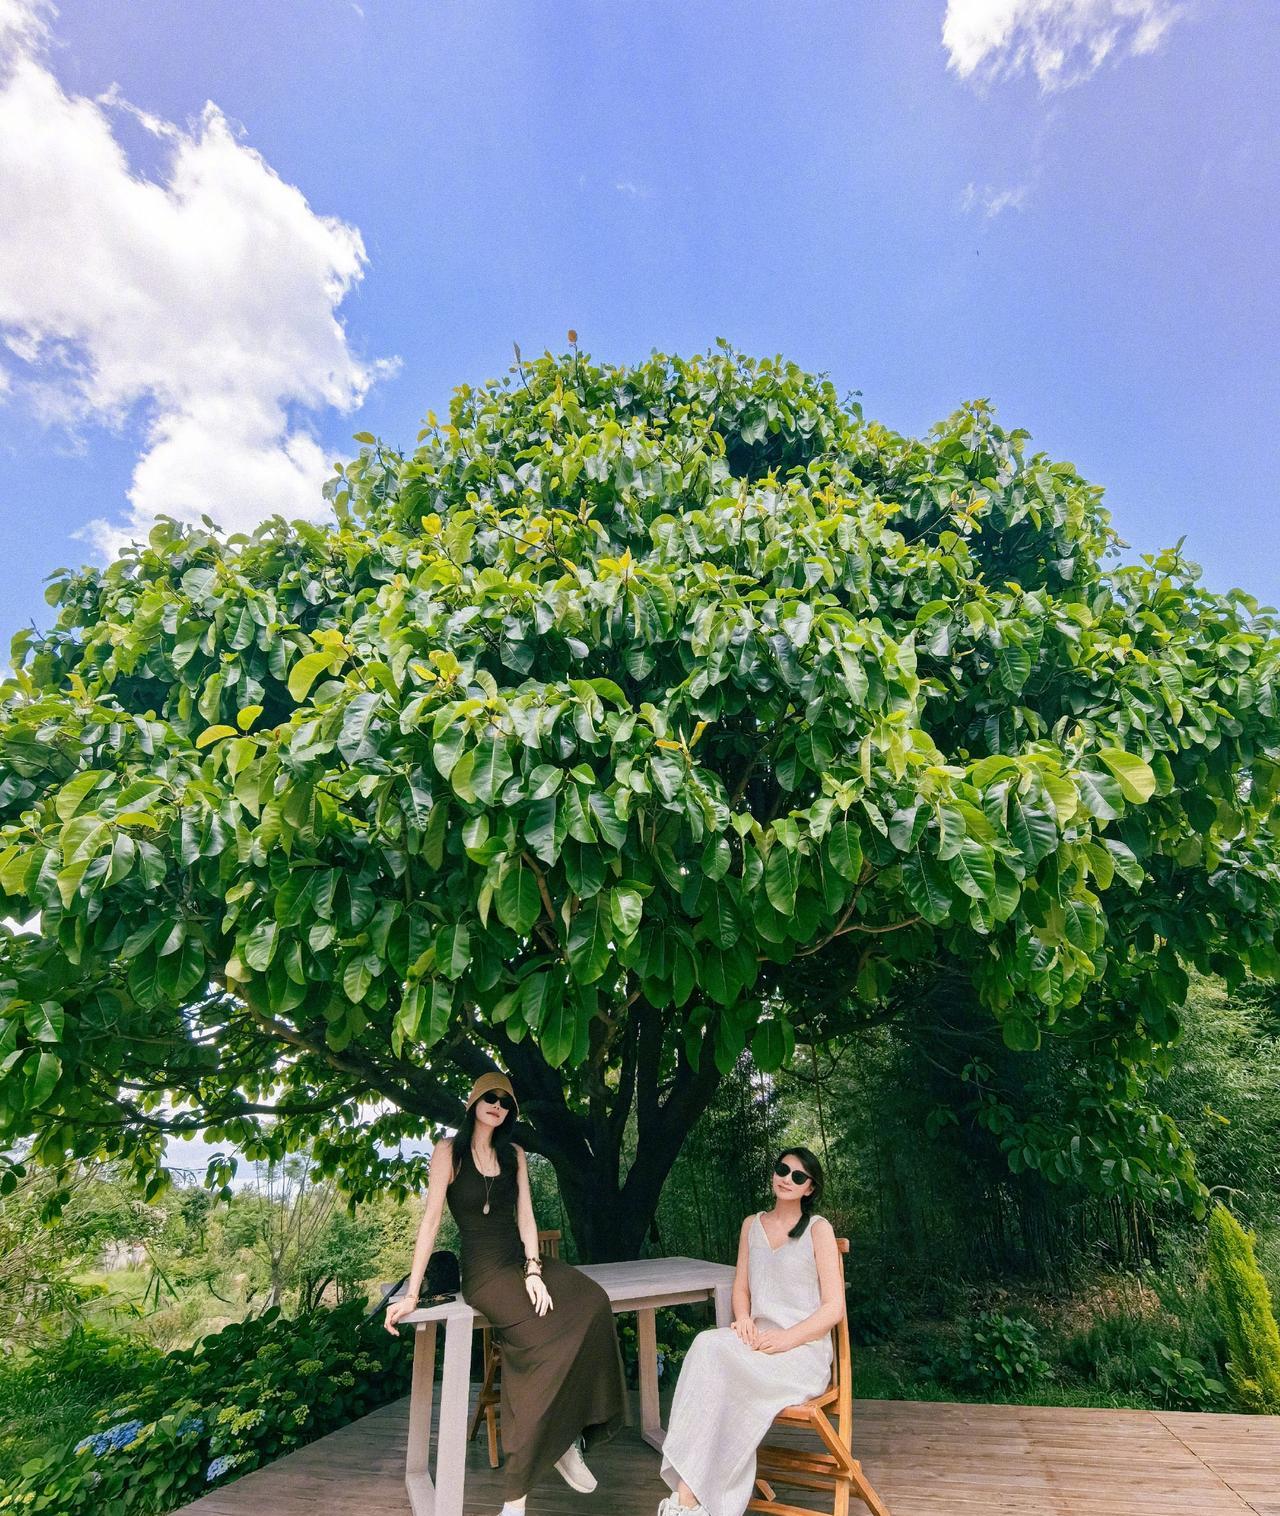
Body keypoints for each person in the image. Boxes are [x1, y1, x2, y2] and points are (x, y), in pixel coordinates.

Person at [385, 1070, 624, 1516]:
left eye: (506, 1101)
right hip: (484, 1272)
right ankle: (524, 1489)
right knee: (537, 1341)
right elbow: (431, 1221)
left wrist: (534, 1270)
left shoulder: (514, 1154)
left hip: (519, 1261)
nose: (498, 1105)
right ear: (474, 1102)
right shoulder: (448, 1152)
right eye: (490, 1098)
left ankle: (567, 1436)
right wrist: (412, 1294)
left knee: (594, 1303)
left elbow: (526, 1216)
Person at [657, 1147, 846, 1516]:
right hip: (756, 1341)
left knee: (723, 1373)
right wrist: (743, 1316)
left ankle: (688, 1501)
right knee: (706, 1344)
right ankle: (689, 1497)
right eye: (782, 1170)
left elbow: (833, 1308)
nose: (786, 1179)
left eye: (798, 1176)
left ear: (809, 1188)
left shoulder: (819, 1230)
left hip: (800, 1352)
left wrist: (787, 1338)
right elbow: (741, 1287)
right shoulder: (751, 1225)